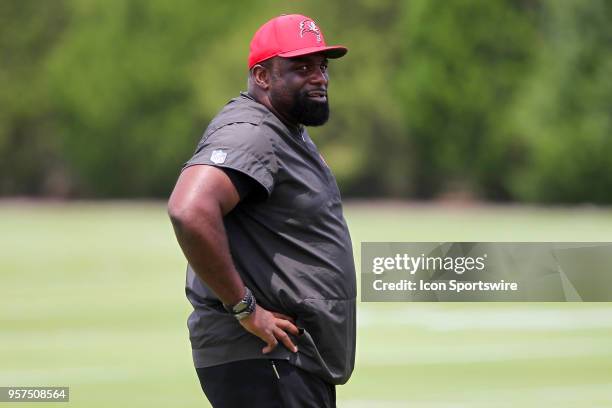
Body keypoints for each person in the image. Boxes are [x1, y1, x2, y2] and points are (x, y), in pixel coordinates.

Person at [168, 14, 356, 408]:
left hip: (284, 361)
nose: (319, 77)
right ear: (263, 76)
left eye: (322, 67)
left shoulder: (283, 130)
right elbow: (189, 210)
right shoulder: (251, 132)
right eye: (301, 67)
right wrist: (245, 309)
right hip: (266, 357)